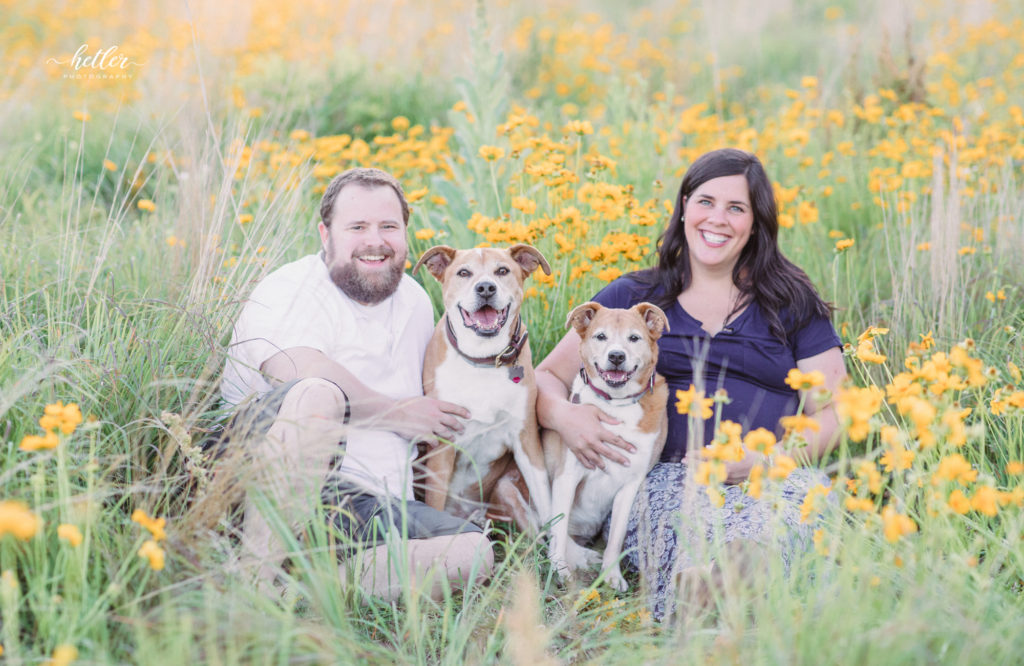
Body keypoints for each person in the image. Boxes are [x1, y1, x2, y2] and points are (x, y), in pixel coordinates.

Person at [536, 148, 846, 619]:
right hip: (669, 475)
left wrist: (769, 459)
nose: (717, 219)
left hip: (775, 472)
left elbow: (835, 411)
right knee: (681, 533)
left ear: (755, 223)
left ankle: (746, 587)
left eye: (736, 208)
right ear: (683, 208)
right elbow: (544, 377)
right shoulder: (634, 297)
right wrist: (567, 418)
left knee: (774, 528)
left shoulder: (792, 301)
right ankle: (702, 599)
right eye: (705, 201)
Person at [221, 167, 493, 600]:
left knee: (472, 551)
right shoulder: (291, 287)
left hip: (363, 507)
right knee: (317, 394)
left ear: (406, 233)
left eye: (389, 226)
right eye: (357, 227)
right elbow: (294, 369)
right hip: (263, 476)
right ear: (325, 235)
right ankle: (252, 582)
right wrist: (397, 413)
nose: (375, 241)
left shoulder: (417, 302)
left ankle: (310, 594)